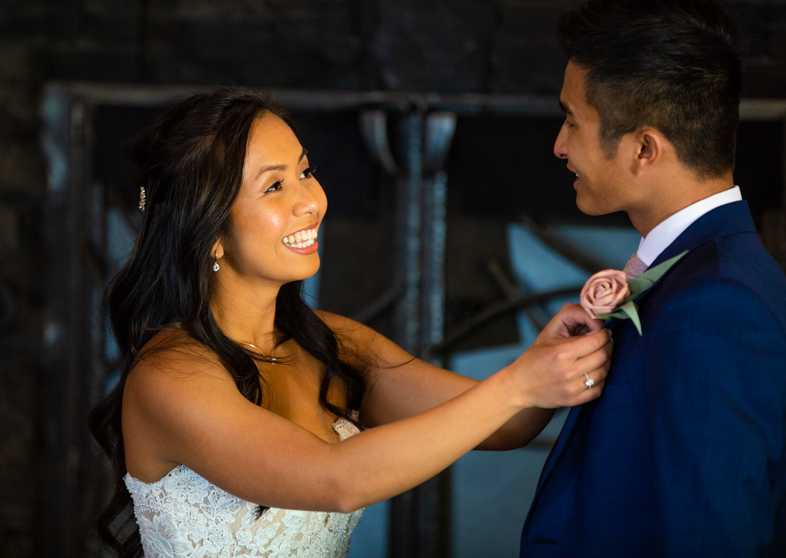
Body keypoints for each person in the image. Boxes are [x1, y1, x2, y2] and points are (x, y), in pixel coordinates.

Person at [88, 89, 612, 558]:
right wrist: (517, 385)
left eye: (306, 171)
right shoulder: (169, 378)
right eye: (274, 188)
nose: (311, 202)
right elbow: (339, 481)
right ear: (209, 235)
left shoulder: (331, 343)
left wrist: (552, 356)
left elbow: (509, 424)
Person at [521, 0, 786, 557]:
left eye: (571, 121)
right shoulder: (700, 274)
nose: (558, 145)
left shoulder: (720, 306)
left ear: (644, 148)